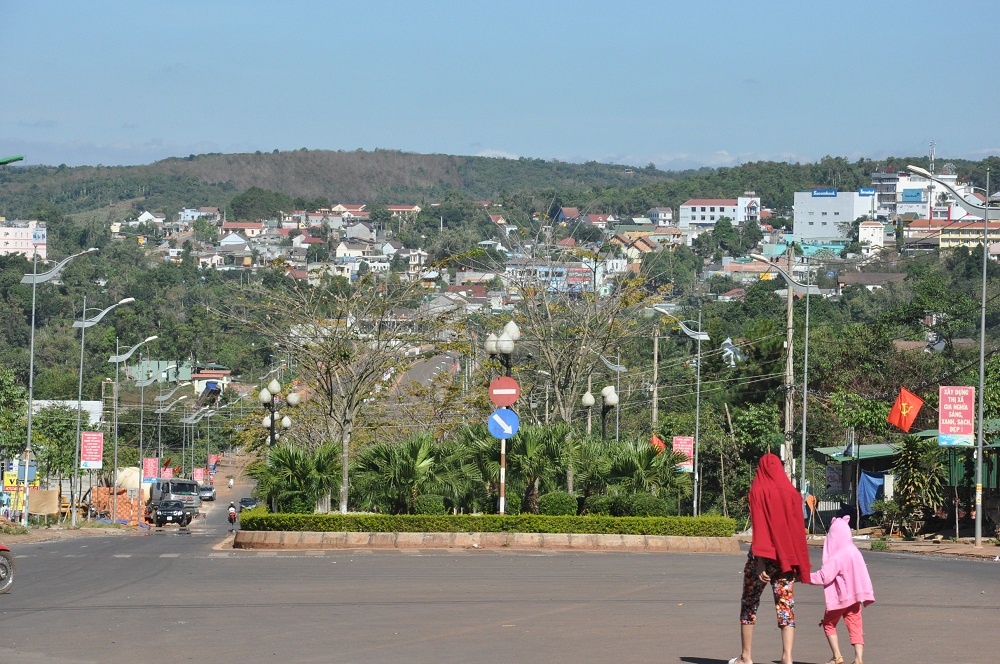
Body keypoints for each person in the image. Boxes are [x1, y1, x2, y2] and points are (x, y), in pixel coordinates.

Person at [730, 453, 812, 664]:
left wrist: (761, 561)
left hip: (762, 558)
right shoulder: (792, 494)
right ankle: (787, 657)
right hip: (786, 559)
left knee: (749, 603)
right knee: (786, 606)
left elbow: (761, 528)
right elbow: (796, 531)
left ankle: (746, 657)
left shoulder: (759, 491)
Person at [810, 516, 875, 664]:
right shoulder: (854, 551)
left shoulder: (837, 556)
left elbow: (824, 576)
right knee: (856, 627)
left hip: (840, 599)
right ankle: (858, 658)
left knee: (829, 624)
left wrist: (804, 578)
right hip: (856, 597)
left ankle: (837, 656)